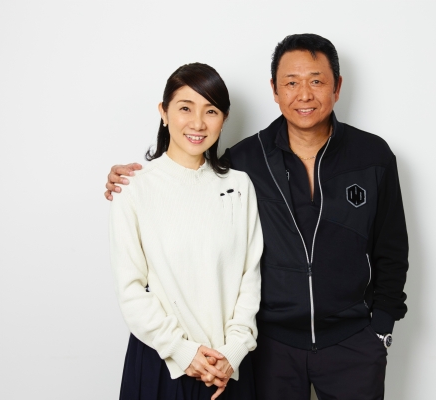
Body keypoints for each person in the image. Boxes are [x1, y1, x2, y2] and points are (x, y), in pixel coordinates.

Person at [106, 34, 408, 400]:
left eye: (316, 81)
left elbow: (392, 249)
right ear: (274, 90)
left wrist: (381, 330)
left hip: (351, 343)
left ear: (337, 87)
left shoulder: (371, 156)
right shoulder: (246, 161)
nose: (304, 94)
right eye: (291, 83)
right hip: (271, 350)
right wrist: (130, 179)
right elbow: (187, 178)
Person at [109, 63, 262, 400]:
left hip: (228, 367)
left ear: (224, 119)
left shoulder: (239, 186)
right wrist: (182, 350)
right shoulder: (133, 188)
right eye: (185, 108)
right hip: (161, 363)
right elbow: (130, 289)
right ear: (163, 113)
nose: (198, 123)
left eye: (211, 111)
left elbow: (250, 277)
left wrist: (234, 350)